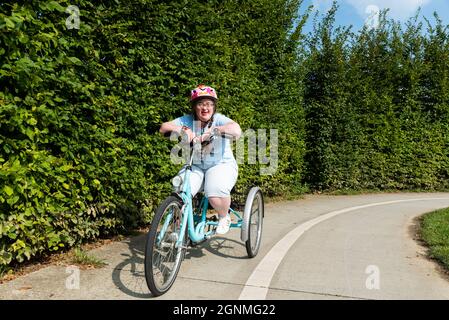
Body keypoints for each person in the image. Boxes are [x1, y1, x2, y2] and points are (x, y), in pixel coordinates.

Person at [159, 84, 241, 234]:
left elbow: (236, 130)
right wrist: (183, 129)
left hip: (220, 164)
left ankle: (224, 216)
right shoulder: (187, 120)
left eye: (209, 104)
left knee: (214, 190)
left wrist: (214, 131)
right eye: (200, 104)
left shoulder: (219, 119)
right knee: (180, 190)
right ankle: (177, 228)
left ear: (214, 107)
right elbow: (164, 128)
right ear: (194, 107)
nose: (205, 108)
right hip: (195, 165)